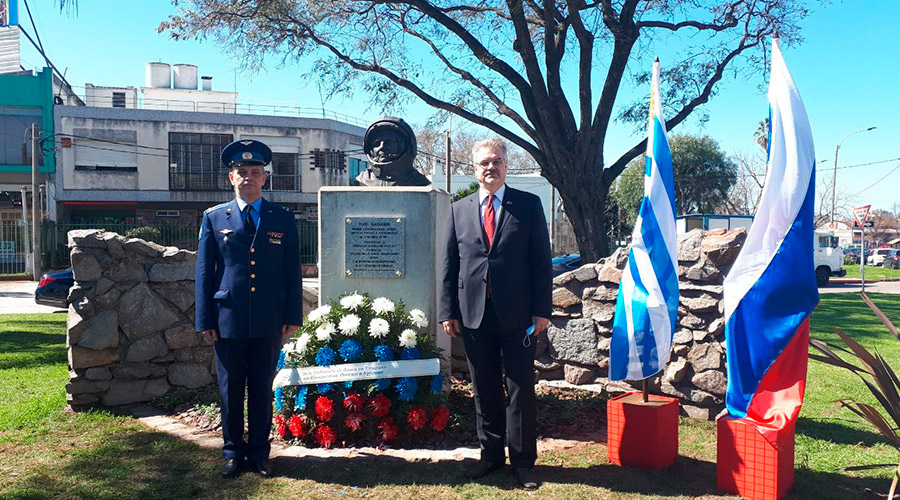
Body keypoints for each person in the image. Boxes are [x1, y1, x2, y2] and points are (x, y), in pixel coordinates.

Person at [438, 138, 552, 490]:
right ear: (474, 169)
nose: (491, 167)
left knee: (520, 390)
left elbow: (541, 262)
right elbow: (449, 264)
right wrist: (448, 311)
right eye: (484, 163)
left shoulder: (529, 205)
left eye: (497, 161)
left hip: (518, 316)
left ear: (506, 165)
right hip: (473, 317)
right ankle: (490, 456)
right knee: (483, 389)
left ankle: (523, 462)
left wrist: (541, 311)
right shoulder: (459, 210)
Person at [195, 139, 302, 479]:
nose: (248, 178)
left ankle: (258, 453)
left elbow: (291, 271)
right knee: (229, 390)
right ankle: (231, 452)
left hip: (269, 319)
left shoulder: (282, 218)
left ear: (265, 178)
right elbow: (204, 273)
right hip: (228, 319)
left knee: (260, 389)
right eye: (242, 172)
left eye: (255, 172)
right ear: (231, 178)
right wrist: (205, 320)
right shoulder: (214, 218)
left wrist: (292, 315)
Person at [355, 116, 431, 187]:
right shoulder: (364, 179)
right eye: (376, 143)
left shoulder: (419, 182)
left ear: (403, 146)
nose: (382, 147)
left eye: (389, 142)